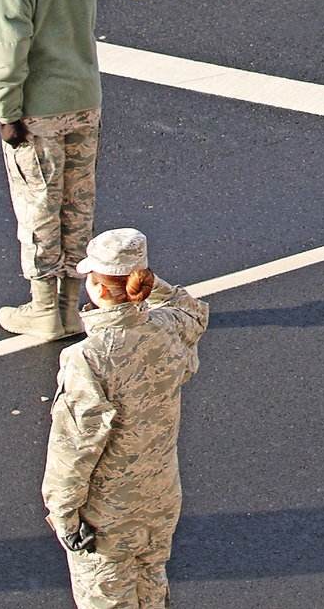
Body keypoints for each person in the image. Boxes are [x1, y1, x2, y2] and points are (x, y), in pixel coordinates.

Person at [0, 0, 130, 340]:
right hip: (85, 99)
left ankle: (44, 308)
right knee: (77, 202)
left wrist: (6, 111)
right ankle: (72, 305)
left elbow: (10, 48)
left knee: (39, 204)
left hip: (39, 107)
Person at [42, 227, 209, 609]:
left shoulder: (89, 358)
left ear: (98, 289)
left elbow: (74, 448)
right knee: (152, 592)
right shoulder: (169, 327)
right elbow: (192, 308)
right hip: (161, 498)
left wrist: (64, 515)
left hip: (109, 514)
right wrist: (145, 280)